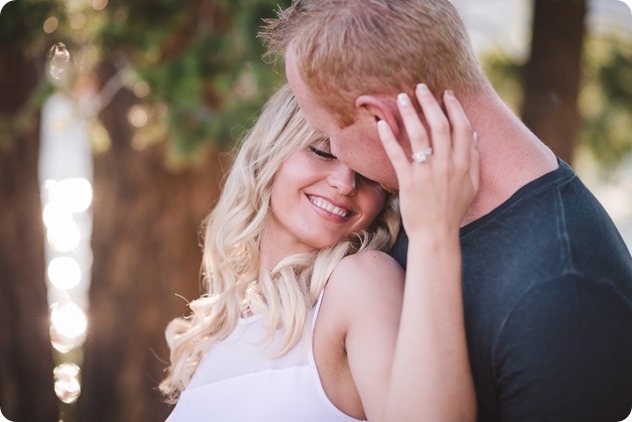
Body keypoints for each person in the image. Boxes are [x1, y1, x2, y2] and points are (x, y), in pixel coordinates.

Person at [260, 1, 632, 421]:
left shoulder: (566, 294)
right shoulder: (395, 209)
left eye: (327, 133)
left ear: (380, 118)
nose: (341, 167)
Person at [160, 83, 480, 421]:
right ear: (270, 151)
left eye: (371, 175)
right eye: (323, 153)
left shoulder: (359, 284)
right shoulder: (215, 333)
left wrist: (435, 236)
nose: (345, 183)